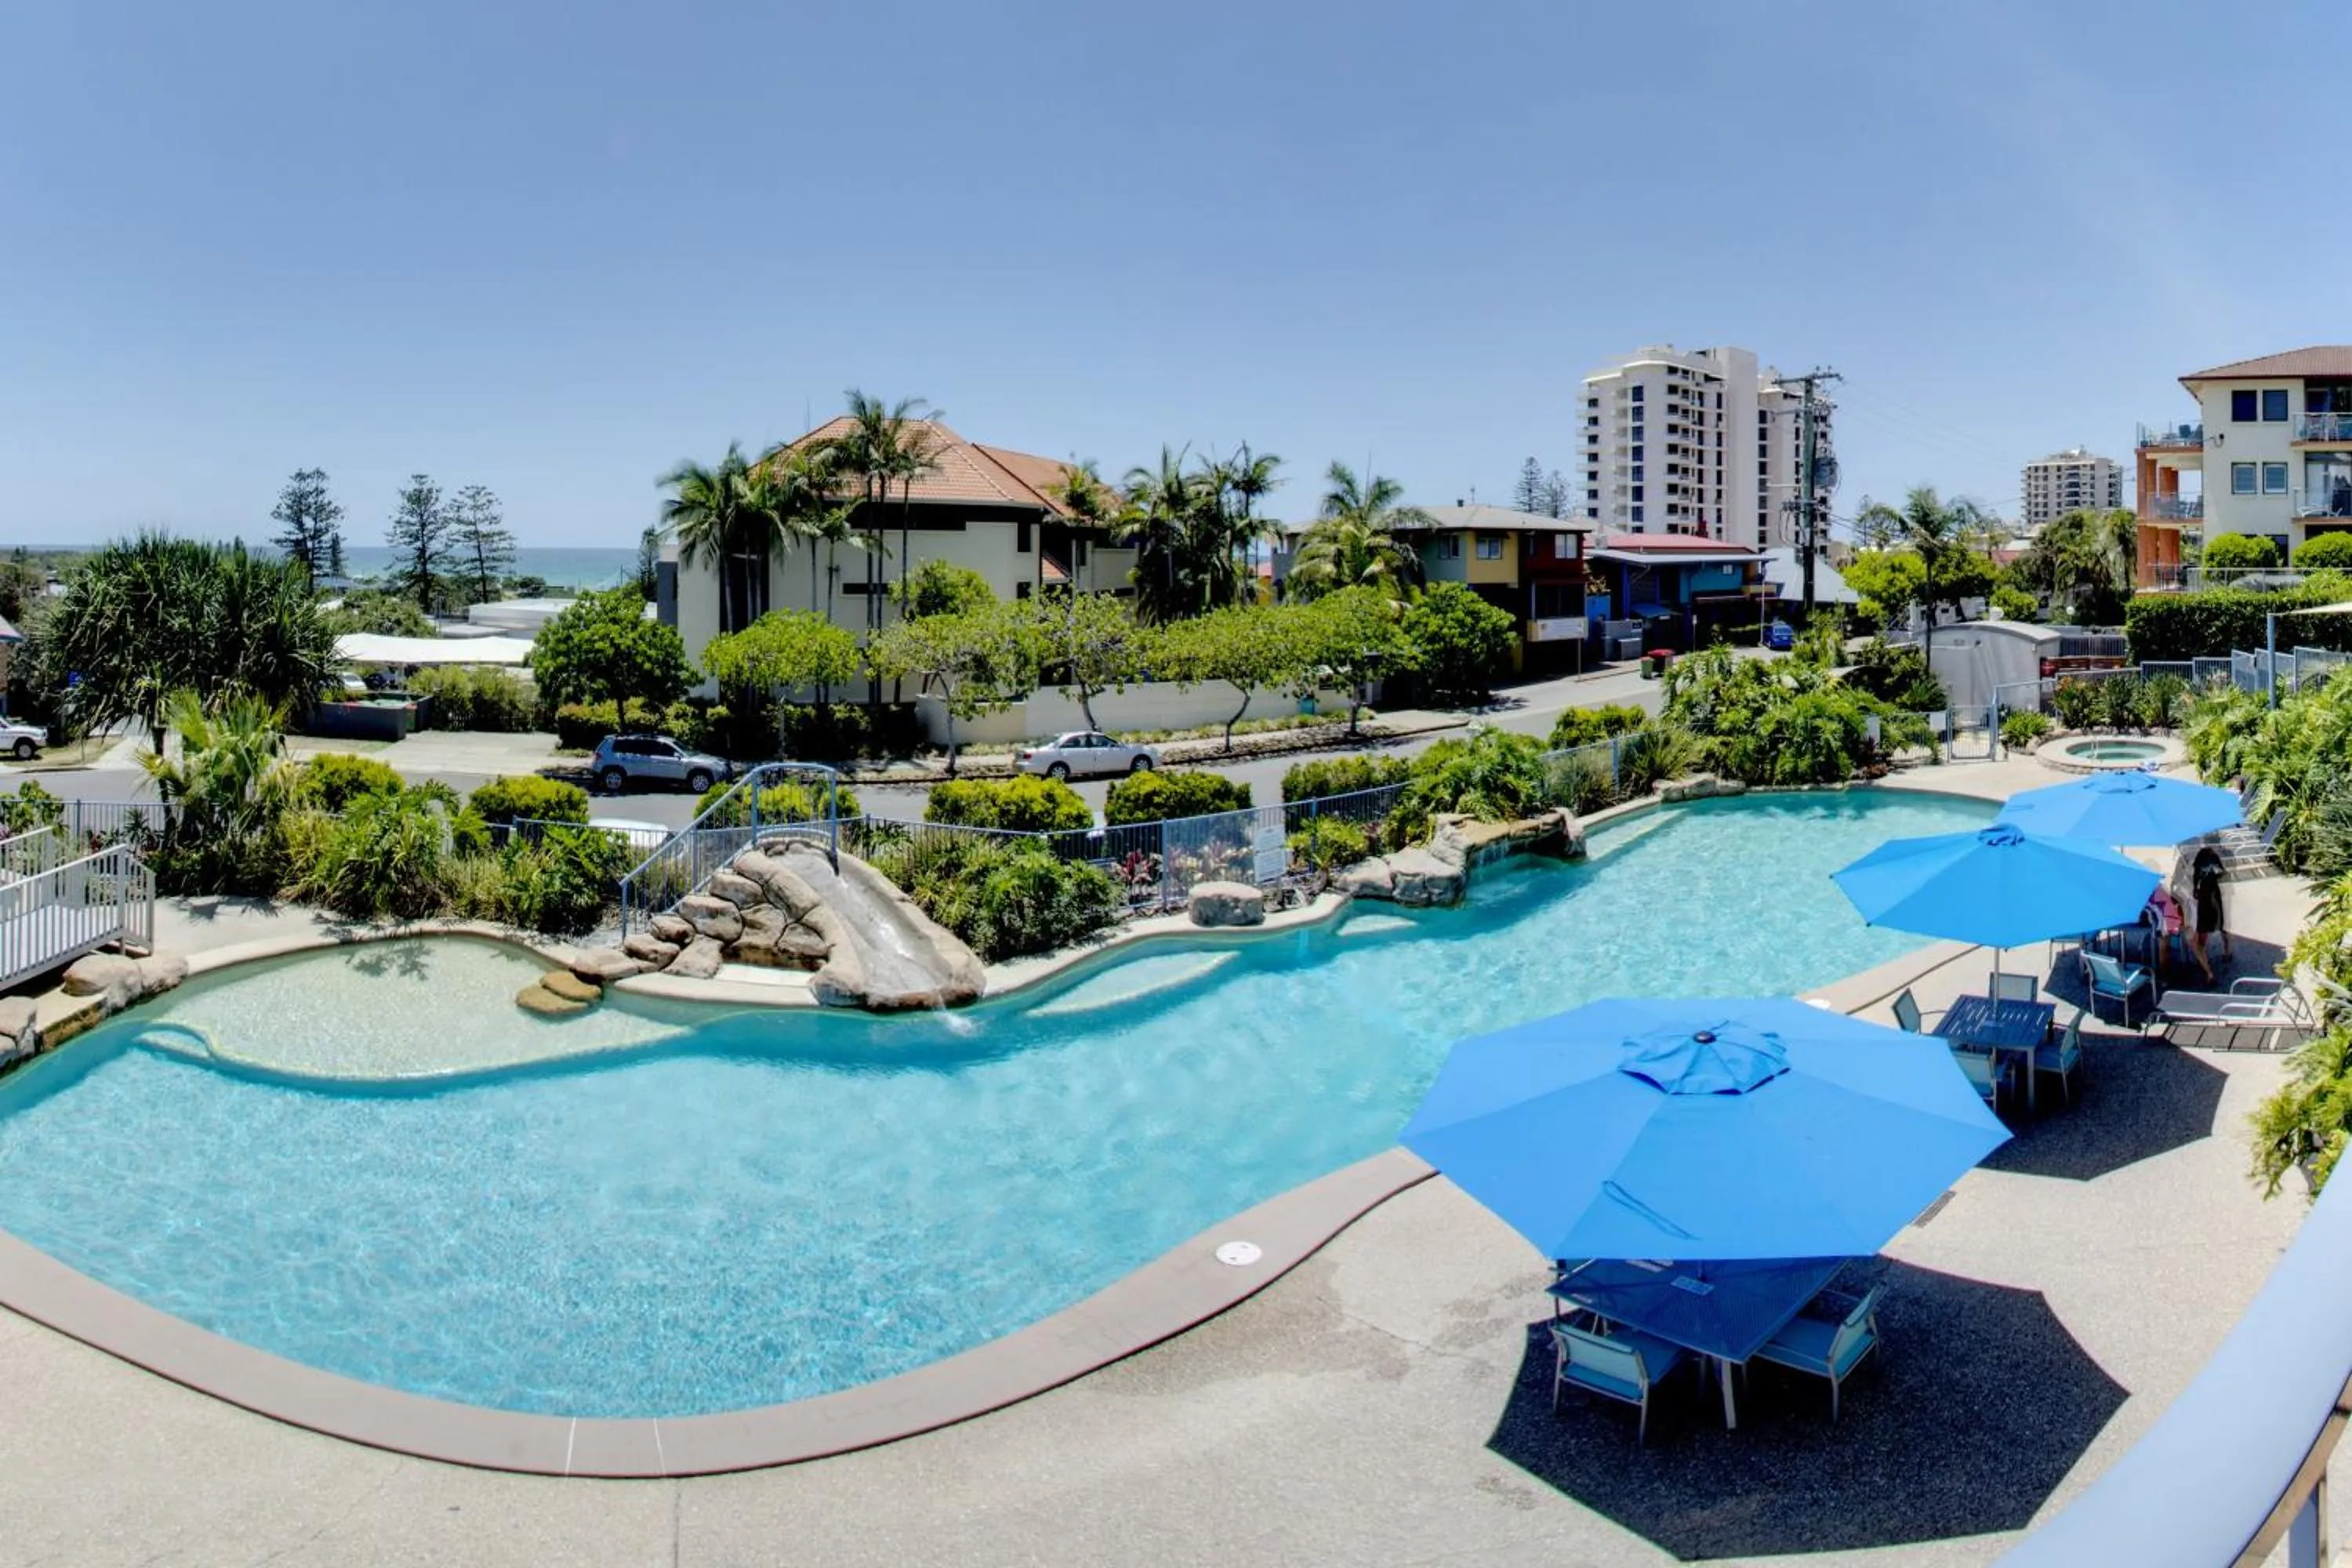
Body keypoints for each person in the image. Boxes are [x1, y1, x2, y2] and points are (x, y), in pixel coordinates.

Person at [2189, 845, 2232, 984]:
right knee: (2221, 922)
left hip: (2205, 894)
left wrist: (2195, 889)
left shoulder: (2200, 857)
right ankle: (2226, 951)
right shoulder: (2214, 857)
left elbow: (2196, 876)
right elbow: (2222, 873)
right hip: (2214, 892)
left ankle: (2203, 954)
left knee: (2203, 924)